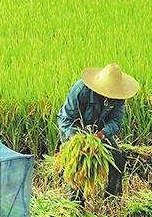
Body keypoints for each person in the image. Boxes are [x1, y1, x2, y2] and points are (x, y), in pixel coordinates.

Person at [55, 63, 140, 197]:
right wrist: (76, 139)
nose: (111, 95)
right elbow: (66, 119)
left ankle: (113, 198)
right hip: (74, 131)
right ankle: (75, 203)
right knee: (78, 164)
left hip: (99, 132)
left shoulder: (119, 96)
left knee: (118, 161)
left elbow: (115, 122)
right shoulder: (81, 90)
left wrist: (102, 134)